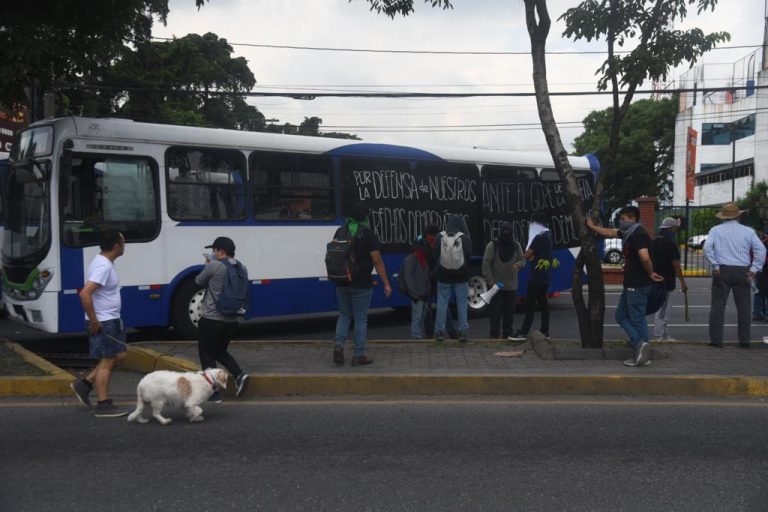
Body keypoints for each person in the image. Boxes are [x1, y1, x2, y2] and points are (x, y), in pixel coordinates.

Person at [587, 206, 664, 366]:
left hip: (637, 284)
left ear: (633, 219)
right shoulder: (630, 233)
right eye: (621, 219)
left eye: (624, 219)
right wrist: (593, 227)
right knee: (621, 316)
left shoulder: (638, 234)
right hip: (631, 284)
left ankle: (642, 351)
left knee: (637, 319)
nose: (621, 222)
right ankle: (640, 346)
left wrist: (650, 273)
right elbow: (611, 232)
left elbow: (644, 257)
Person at [70, 230, 129, 417]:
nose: (125, 244)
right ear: (116, 246)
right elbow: (85, 294)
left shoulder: (104, 262)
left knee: (120, 355)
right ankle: (103, 404)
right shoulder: (103, 267)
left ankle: (84, 384)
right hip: (104, 321)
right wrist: (94, 321)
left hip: (112, 318)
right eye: (123, 241)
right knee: (107, 361)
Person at [333, 203, 392, 366]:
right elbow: (377, 261)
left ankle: (338, 346)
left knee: (344, 314)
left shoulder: (340, 231)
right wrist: (386, 282)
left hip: (342, 280)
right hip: (361, 283)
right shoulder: (368, 234)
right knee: (360, 319)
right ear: (365, 217)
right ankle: (358, 355)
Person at [703, 202, 766, 348]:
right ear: (738, 216)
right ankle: (744, 340)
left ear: (723, 217)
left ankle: (716, 340)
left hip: (722, 270)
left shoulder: (715, 230)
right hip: (742, 271)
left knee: (718, 306)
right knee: (744, 307)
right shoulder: (748, 231)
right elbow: (761, 250)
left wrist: (715, 264)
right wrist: (755, 268)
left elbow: (707, 248)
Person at [196, 236, 249, 401]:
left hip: (212, 319)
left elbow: (198, 281)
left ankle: (213, 392)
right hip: (232, 321)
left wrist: (207, 265)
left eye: (214, 250)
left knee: (207, 355)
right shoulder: (242, 267)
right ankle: (239, 375)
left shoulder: (215, 266)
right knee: (219, 351)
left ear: (221, 251)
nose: (213, 253)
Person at [510, 212, 554, 341]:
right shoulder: (548, 235)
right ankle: (545, 331)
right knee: (544, 304)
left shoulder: (539, 237)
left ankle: (523, 332)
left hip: (536, 276)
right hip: (545, 275)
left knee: (530, 306)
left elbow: (527, 255)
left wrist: (526, 257)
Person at [482, 221, 525, 339]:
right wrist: (490, 281)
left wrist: (518, 265)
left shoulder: (517, 246)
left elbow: (523, 260)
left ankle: (507, 336)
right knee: (495, 314)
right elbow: (486, 264)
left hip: (511, 287)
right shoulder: (493, 245)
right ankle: (494, 337)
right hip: (496, 287)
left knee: (509, 314)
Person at [433, 215, 472, 343]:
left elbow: (435, 255)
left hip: (443, 276)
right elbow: (468, 255)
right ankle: (463, 332)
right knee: (461, 303)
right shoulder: (465, 238)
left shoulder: (439, 237)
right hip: (461, 276)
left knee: (442, 303)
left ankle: (439, 332)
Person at [652, 217, 688, 341]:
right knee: (663, 310)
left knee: (665, 309)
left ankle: (665, 334)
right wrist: (682, 282)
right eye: (675, 229)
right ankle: (659, 336)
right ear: (672, 229)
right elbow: (675, 264)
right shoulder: (671, 244)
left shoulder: (655, 241)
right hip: (666, 281)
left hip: (657, 279)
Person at [399, 236, 432, 339]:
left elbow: (426, 277)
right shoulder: (409, 260)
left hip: (424, 294)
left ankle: (418, 335)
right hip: (417, 295)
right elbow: (409, 279)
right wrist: (414, 294)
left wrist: (428, 291)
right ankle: (416, 336)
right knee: (417, 317)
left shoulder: (423, 261)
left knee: (421, 317)